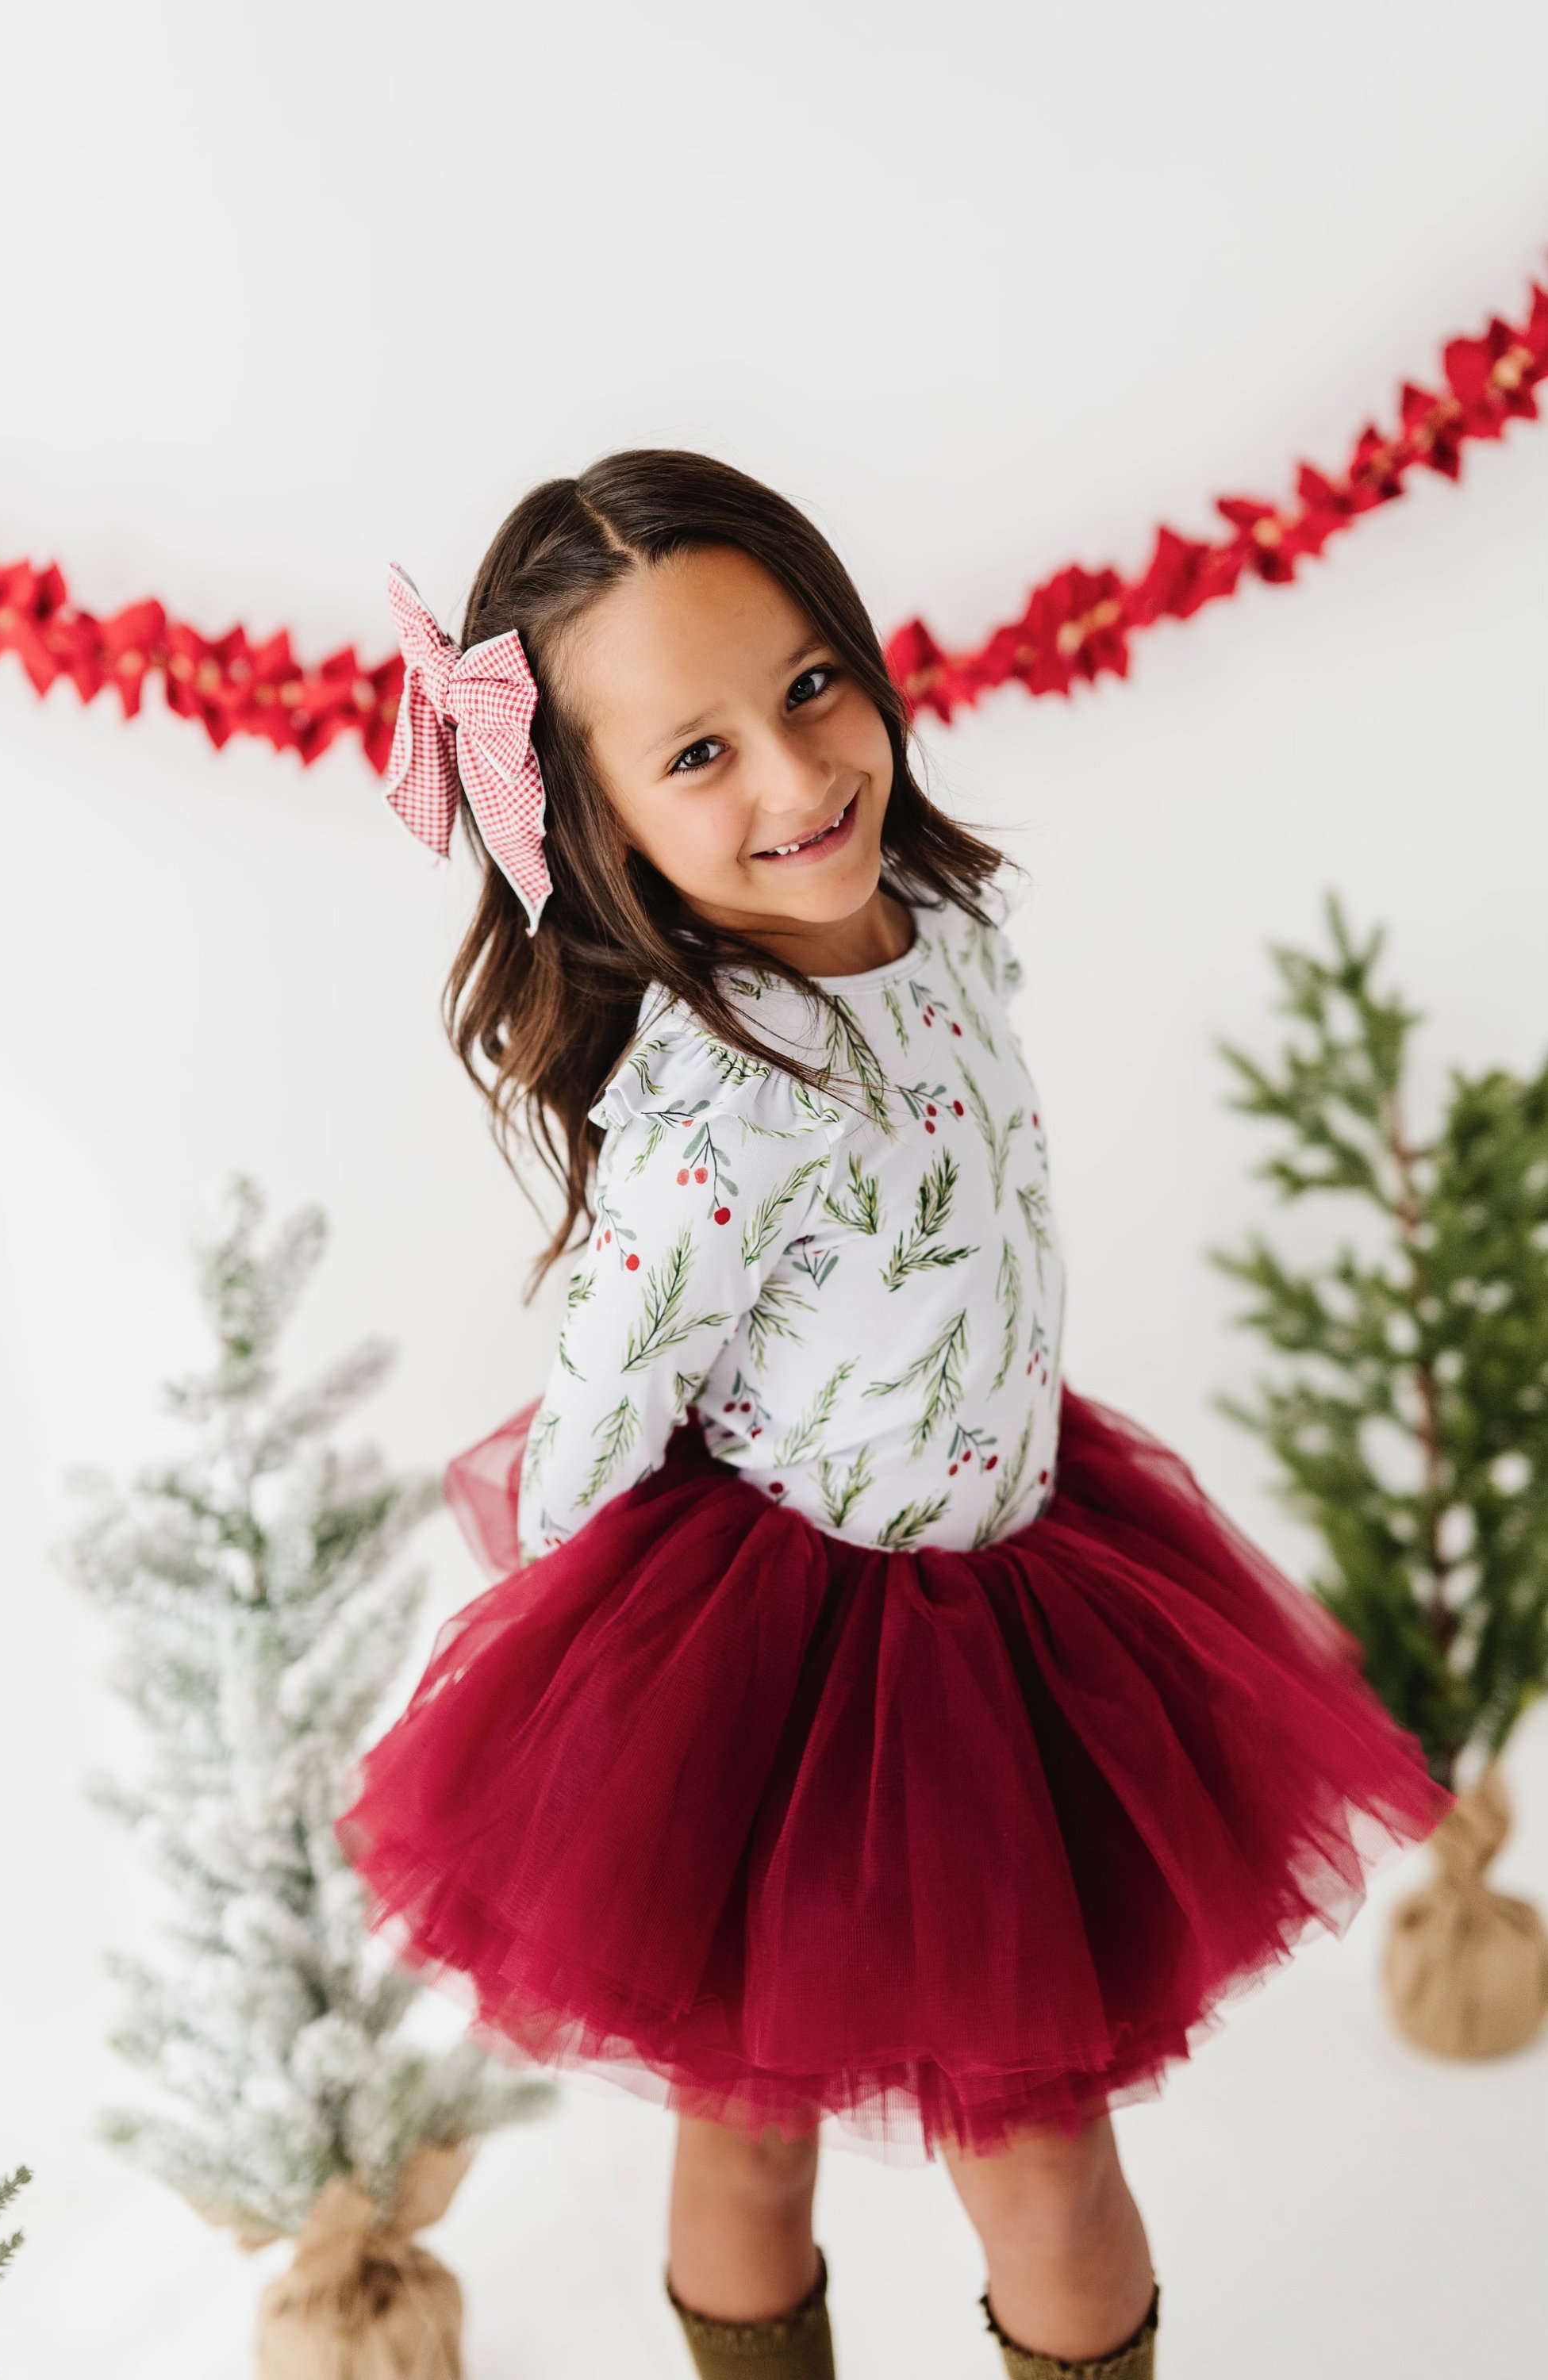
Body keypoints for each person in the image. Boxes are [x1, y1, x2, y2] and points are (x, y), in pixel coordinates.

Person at [339, 451, 1447, 2379]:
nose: (793, 775)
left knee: (1045, 2167)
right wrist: (609, 1670)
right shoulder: (715, 1104)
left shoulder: (938, 919)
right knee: (750, 2127)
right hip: (785, 1665)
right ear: (588, 824)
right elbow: (597, 1410)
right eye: (694, 757)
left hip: (1019, 1584)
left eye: (806, 686)